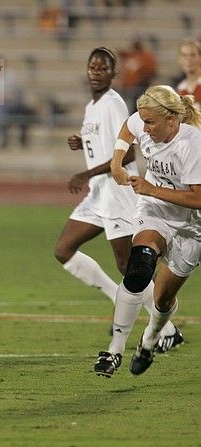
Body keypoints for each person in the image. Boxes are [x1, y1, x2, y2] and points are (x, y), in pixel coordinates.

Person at [54, 47, 179, 342]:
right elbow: (104, 142)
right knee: (63, 250)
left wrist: (84, 174)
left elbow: (126, 154)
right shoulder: (92, 106)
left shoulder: (113, 104)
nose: (96, 72)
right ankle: (116, 299)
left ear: (113, 73)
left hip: (118, 191)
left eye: (103, 68)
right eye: (92, 67)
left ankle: (169, 330)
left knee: (128, 265)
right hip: (99, 195)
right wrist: (82, 140)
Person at [94, 85, 201, 377]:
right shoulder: (144, 121)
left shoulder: (192, 144)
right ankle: (114, 350)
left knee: (163, 300)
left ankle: (150, 340)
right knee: (139, 267)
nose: (146, 128)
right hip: (154, 212)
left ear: (172, 119)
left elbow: (199, 198)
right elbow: (127, 131)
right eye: (144, 121)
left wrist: (152, 188)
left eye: (151, 122)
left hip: (192, 227)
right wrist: (117, 163)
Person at [118, 37, 157, 112]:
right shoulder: (128, 55)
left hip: (140, 88)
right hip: (127, 88)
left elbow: (151, 72)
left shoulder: (146, 56)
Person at [175, 38, 201, 111]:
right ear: (179, 60)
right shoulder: (180, 88)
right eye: (184, 55)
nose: (188, 59)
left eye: (193, 55)